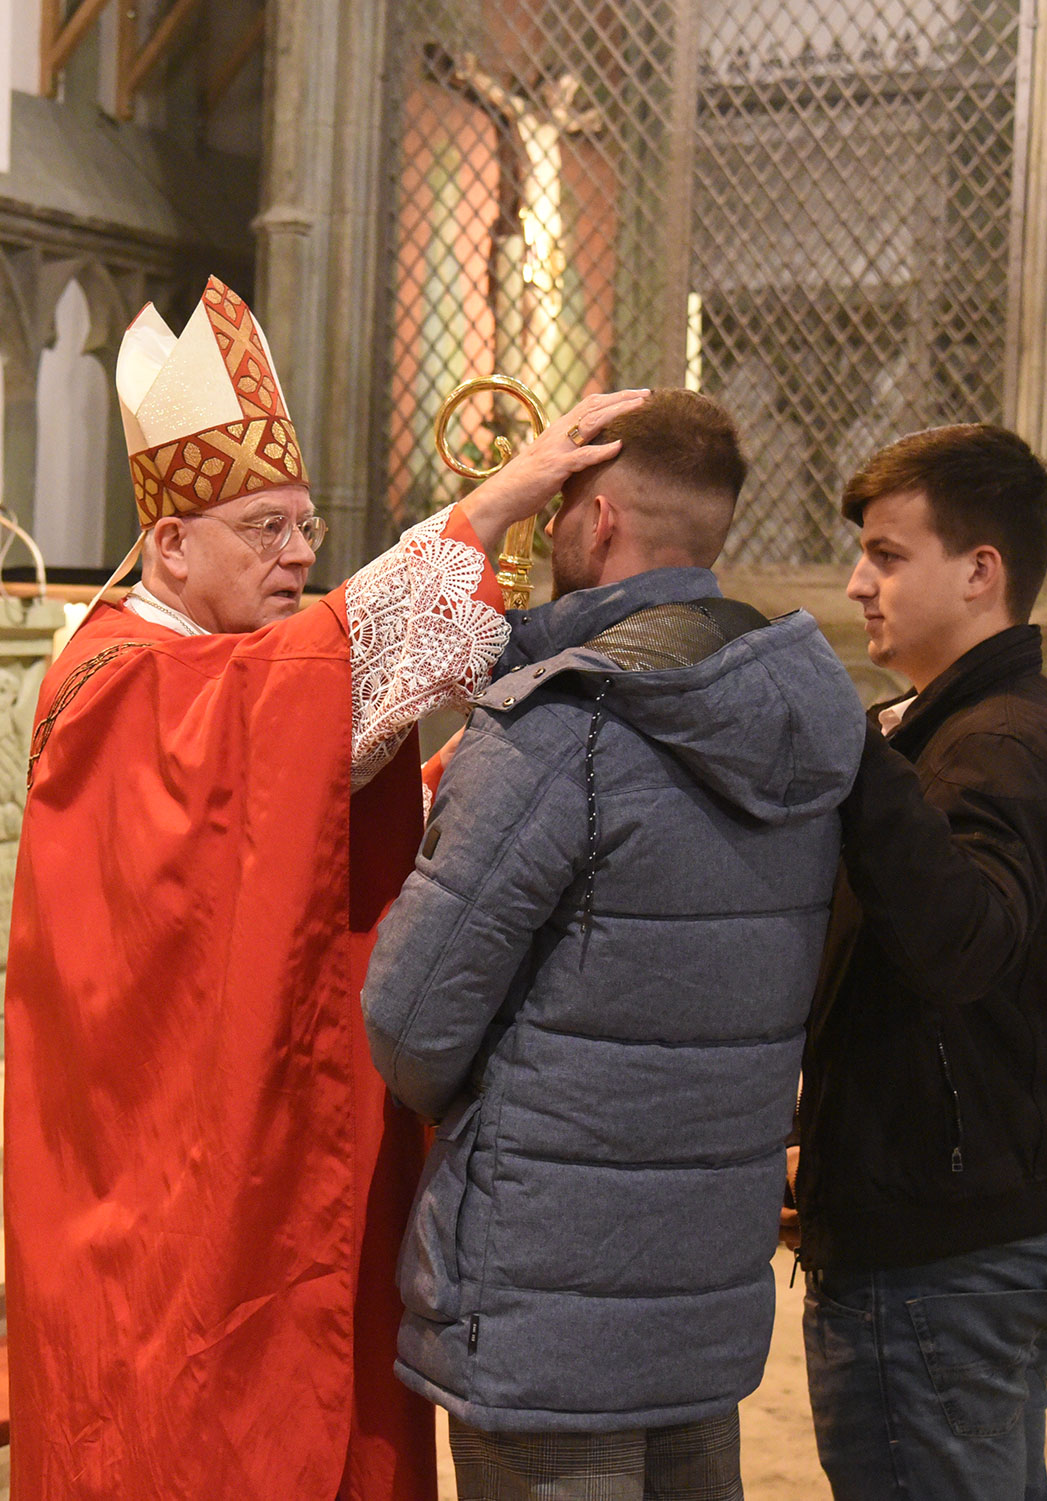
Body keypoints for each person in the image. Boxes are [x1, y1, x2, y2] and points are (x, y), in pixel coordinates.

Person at [4, 274, 641, 1500]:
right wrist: (490, 507)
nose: (299, 553)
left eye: (304, 525)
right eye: (264, 528)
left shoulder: (212, 669)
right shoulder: (121, 679)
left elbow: (300, 776)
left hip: (248, 1142)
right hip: (153, 1183)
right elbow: (299, 700)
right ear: (170, 543)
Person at [360, 388, 866, 1498]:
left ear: (595, 524)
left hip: (544, 1296)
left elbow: (409, 1021)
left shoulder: (560, 725)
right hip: (701, 1288)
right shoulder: (810, 720)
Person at [793, 424, 1047, 1500]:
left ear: (981, 571)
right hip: (957, 1238)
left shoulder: (994, 743)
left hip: (941, 1258)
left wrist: (849, 749)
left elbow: (962, 942)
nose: (857, 584)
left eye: (887, 555)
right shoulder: (957, 729)